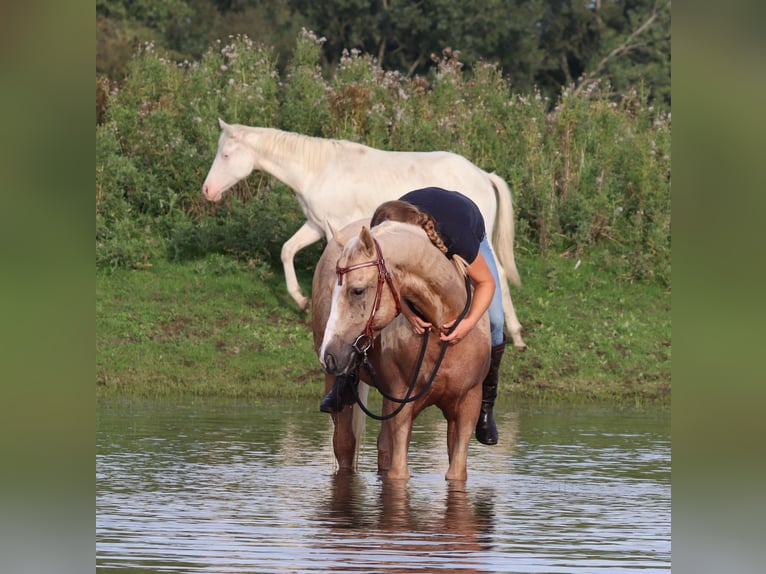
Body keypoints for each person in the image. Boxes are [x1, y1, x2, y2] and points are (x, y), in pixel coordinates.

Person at [320, 187, 507, 446]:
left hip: (469, 226)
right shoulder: (393, 230)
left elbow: (486, 284)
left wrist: (468, 323)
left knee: (497, 320)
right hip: (418, 212)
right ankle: (347, 377)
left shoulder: (456, 235)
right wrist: (406, 311)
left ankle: (486, 405)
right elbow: (392, 288)